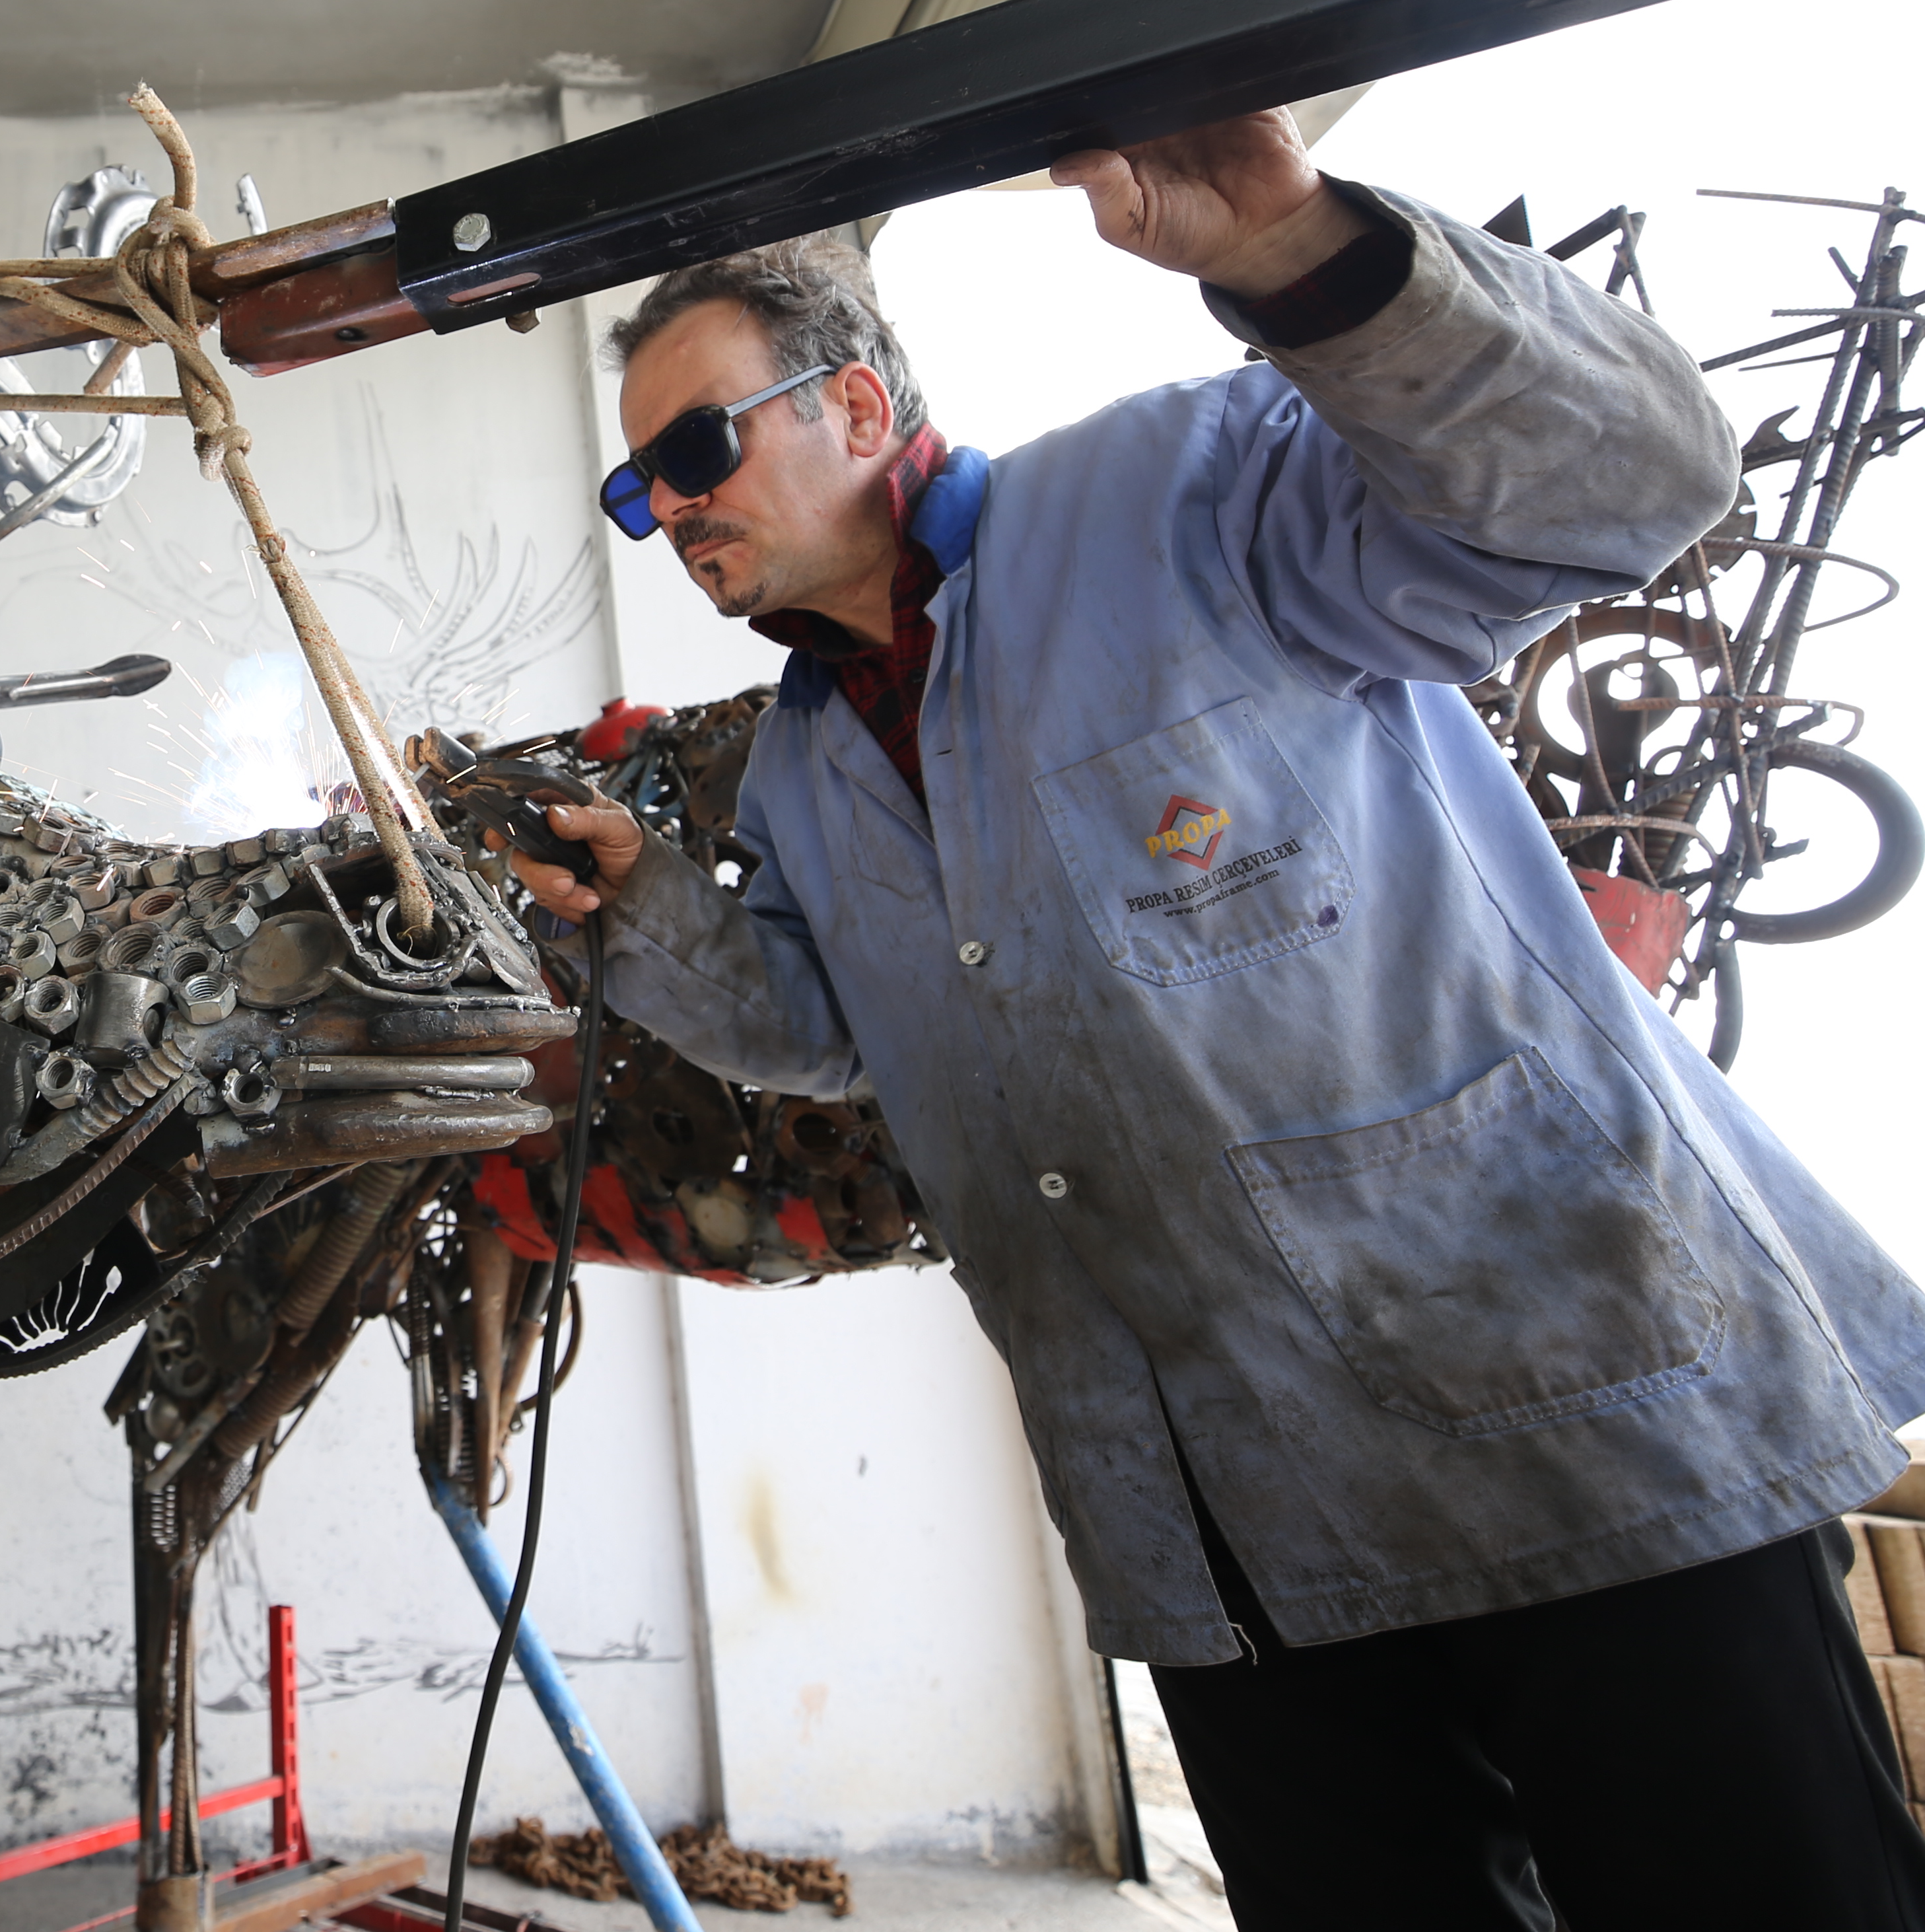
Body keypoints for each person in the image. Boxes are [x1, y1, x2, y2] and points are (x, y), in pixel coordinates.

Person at [511, 108, 1925, 1930]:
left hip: (1569, 1422)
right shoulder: (800, 767)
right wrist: (642, 901)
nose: (669, 506)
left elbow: (1631, 489)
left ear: (859, 409)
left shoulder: (1183, 493)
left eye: (694, 449)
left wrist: (1299, 247)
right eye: (639, 490)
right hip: (1226, 1538)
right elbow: (828, 1030)